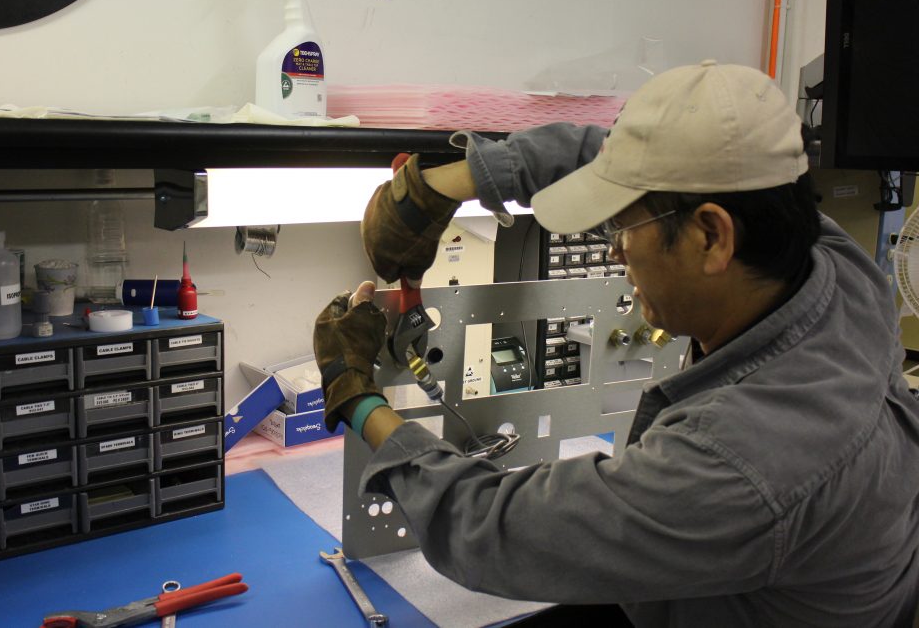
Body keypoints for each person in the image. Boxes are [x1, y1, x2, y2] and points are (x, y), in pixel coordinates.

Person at [312, 60, 919, 627]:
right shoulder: (833, 267)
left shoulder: (740, 461)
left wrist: (355, 392)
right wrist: (448, 183)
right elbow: (607, 154)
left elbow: (491, 528)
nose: (614, 250)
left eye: (626, 224)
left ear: (712, 237)